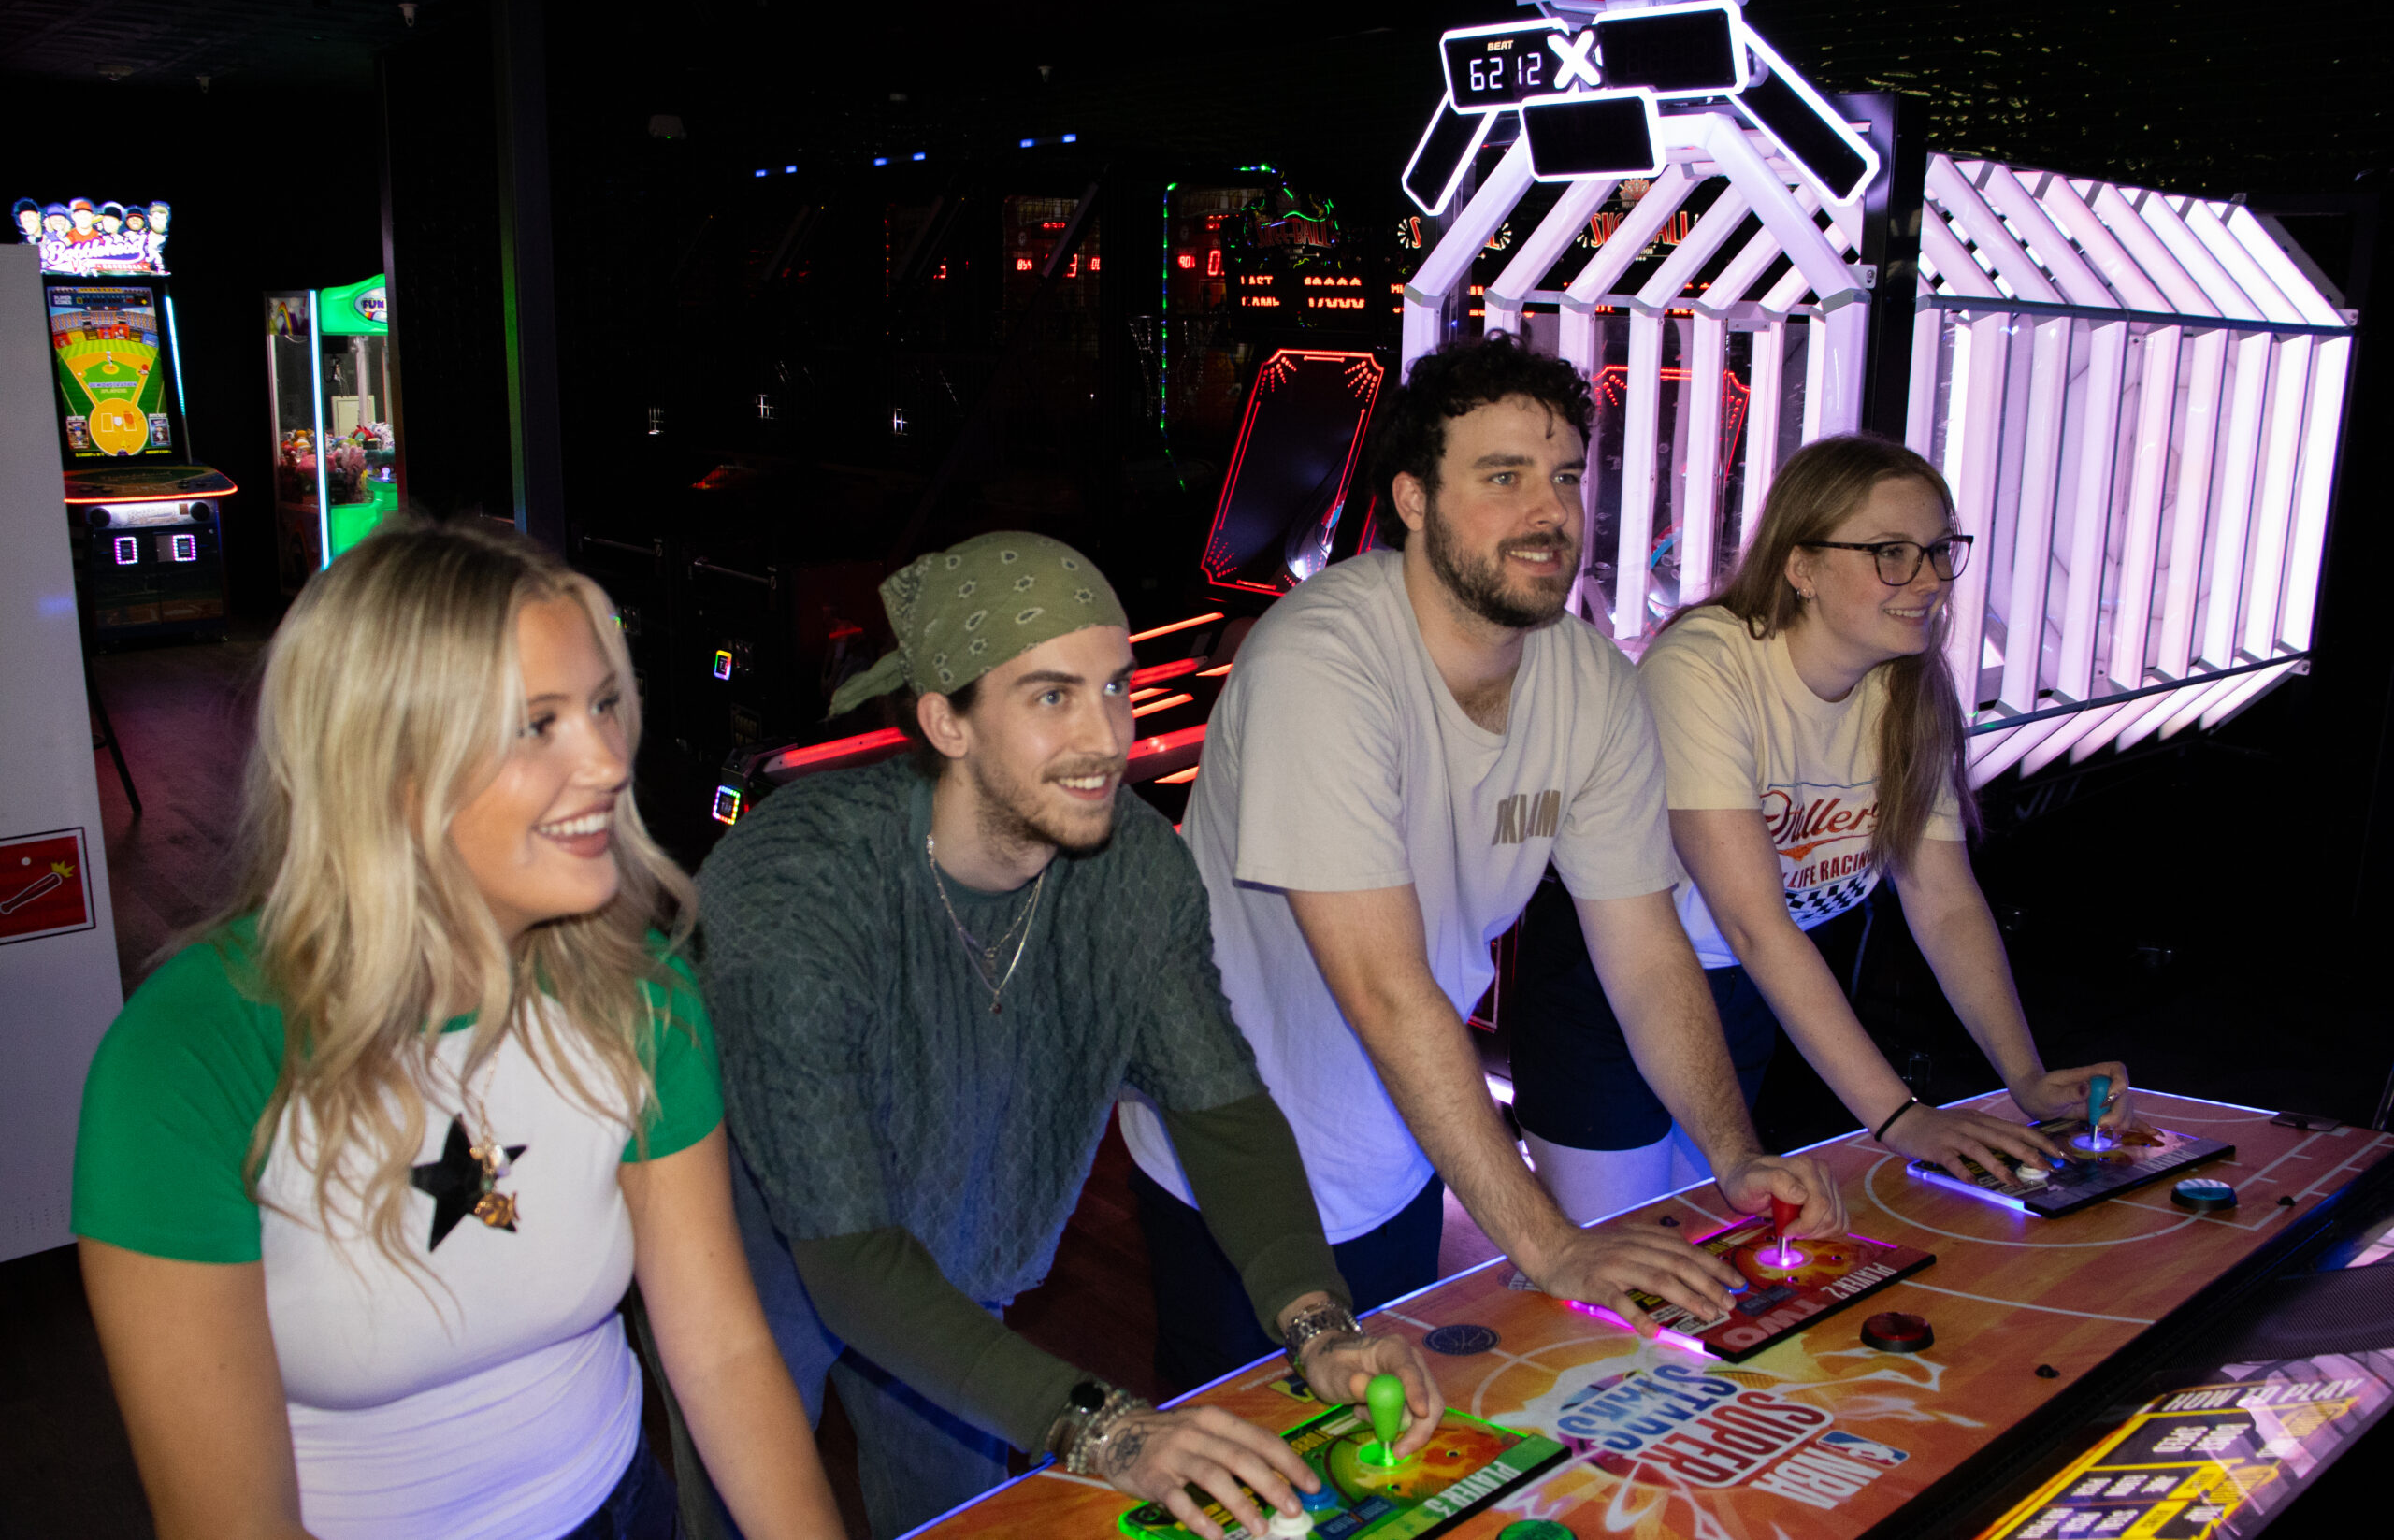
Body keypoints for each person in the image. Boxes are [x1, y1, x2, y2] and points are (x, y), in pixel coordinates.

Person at [73, 520, 844, 1540]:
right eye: (537, 724)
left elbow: (722, 1351)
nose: (607, 760)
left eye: (603, 706)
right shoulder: (187, 1057)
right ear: (385, 768)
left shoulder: (638, 989)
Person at [1117, 334, 1844, 1394]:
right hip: (1235, 1158)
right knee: (1250, 1461)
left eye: (1564, 478)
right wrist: (1549, 1243)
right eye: (1502, 478)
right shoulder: (1320, 664)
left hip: (1406, 1146)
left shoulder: (1590, 685)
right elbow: (1385, 988)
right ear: (1412, 500)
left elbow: (1646, 955)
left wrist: (1733, 1153)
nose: (1549, 513)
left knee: (1394, 1447)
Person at [699, 531, 1444, 1540]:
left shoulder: (1132, 866)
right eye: (1052, 696)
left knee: (958, 1515)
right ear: (946, 721)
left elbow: (1220, 1110)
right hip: (760, 1241)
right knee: (742, 1512)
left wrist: (1318, 1326)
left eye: (1116, 688)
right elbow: (847, 1252)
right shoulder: (799, 883)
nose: (1106, 735)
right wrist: (1108, 1428)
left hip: (952, 1238)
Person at [1507, 434, 2131, 1222]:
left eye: (1940, 551)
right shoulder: (1705, 666)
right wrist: (1901, 1118)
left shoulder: (1910, 688)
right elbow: (1756, 923)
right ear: (1801, 567)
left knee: (1710, 1240)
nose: (1930, 580)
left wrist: (2028, 1077)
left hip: (1744, 988)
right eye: (1892, 553)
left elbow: (1944, 900)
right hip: (1611, 982)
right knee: (1625, 1253)